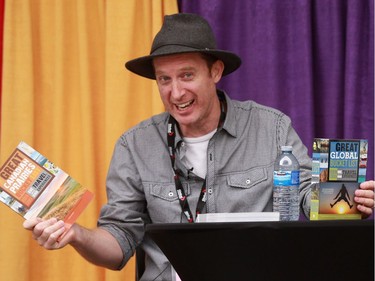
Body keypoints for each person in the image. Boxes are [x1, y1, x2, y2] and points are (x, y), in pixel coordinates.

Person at [23, 13, 375, 280]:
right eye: (165, 79)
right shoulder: (134, 146)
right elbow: (119, 245)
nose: (175, 93)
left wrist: (348, 201)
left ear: (216, 71)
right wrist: (76, 235)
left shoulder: (271, 127)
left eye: (187, 75)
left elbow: (307, 196)